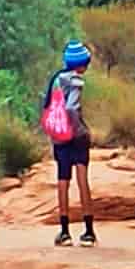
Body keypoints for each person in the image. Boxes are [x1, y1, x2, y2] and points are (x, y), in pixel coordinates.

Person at [41, 42, 98, 246]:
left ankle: (64, 232)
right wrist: (79, 129)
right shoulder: (75, 81)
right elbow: (72, 107)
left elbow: (49, 105)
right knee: (82, 180)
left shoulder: (57, 79)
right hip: (76, 137)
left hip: (60, 136)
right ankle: (88, 232)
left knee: (63, 180)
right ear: (81, 64)